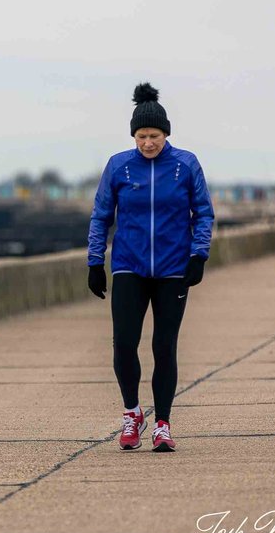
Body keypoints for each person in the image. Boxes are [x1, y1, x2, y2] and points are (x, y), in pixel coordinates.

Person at [87, 83, 215, 452]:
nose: (148, 143)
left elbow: (203, 213)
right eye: (141, 136)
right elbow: (100, 217)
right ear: (133, 136)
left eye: (154, 136)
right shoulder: (119, 166)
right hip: (129, 264)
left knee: (164, 346)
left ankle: (162, 423)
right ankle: (131, 413)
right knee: (124, 344)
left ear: (166, 133)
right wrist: (95, 262)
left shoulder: (186, 164)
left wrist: (198, 255)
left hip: (174, 267)